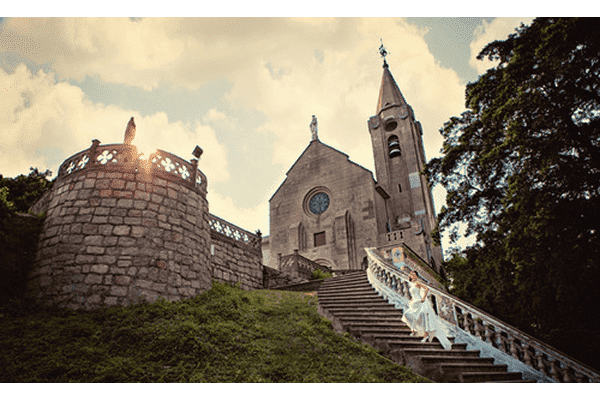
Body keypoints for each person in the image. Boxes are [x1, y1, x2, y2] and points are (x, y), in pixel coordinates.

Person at [400, 267, 452, 350]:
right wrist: (412, 300)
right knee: (407, 314)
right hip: (414, 302)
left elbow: (427, 289)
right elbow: (413, 294)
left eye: (414, 274)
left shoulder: (417, 283)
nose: (412, 275)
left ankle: (426, 334)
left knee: (424, 317)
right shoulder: (411, 284)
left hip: (420, 301)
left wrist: (423, 298)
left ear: (416, 276)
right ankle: (414, 329)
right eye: (411, 274)